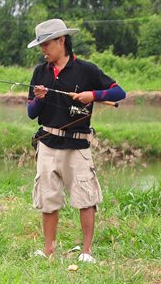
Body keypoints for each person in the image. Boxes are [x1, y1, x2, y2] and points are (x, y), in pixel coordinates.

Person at [26, 19, 126, 262]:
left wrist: (92, 95)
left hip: (78, 145)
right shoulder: (40, 72)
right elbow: (31, 112)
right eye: (41, 45)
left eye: (47, 44)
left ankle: (86, 252)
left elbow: (118, 92)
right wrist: (39, 98)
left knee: (85, 198)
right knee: (48, 198)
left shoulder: (87, 70)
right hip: (48, 143)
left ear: (62, 41)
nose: (43, 49)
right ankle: (49, 249)